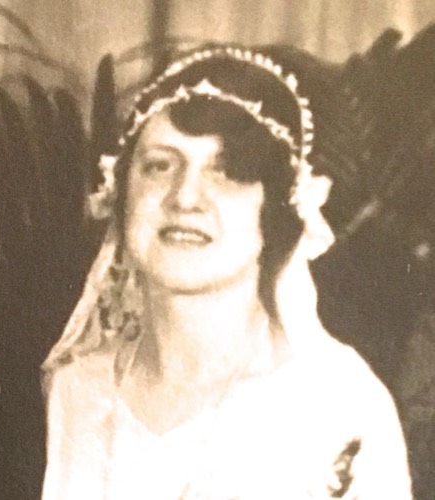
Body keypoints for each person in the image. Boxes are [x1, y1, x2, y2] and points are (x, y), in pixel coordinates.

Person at [41, 44, 412, 499]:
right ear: (119, 195)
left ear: (278, 210)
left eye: (227, 171)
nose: (185, 197)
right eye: (160, 166)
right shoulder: (72, 390)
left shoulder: (337, 404)